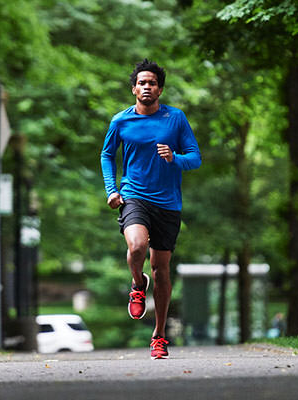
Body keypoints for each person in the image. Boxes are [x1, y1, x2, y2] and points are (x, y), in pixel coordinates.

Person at [100, 59, 201, 359]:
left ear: (160, 89)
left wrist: (175, 158)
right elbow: (107, 155)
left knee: (161, 269)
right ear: (134, 89)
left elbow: (195, 157)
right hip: (134, 196)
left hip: (168, 203)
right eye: (142, 83)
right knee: (137, 245)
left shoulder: (176, 119)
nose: (147, 87)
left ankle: (158, 336)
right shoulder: (121, 121)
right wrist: (112, 190)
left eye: (152, 83)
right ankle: (136, 282)